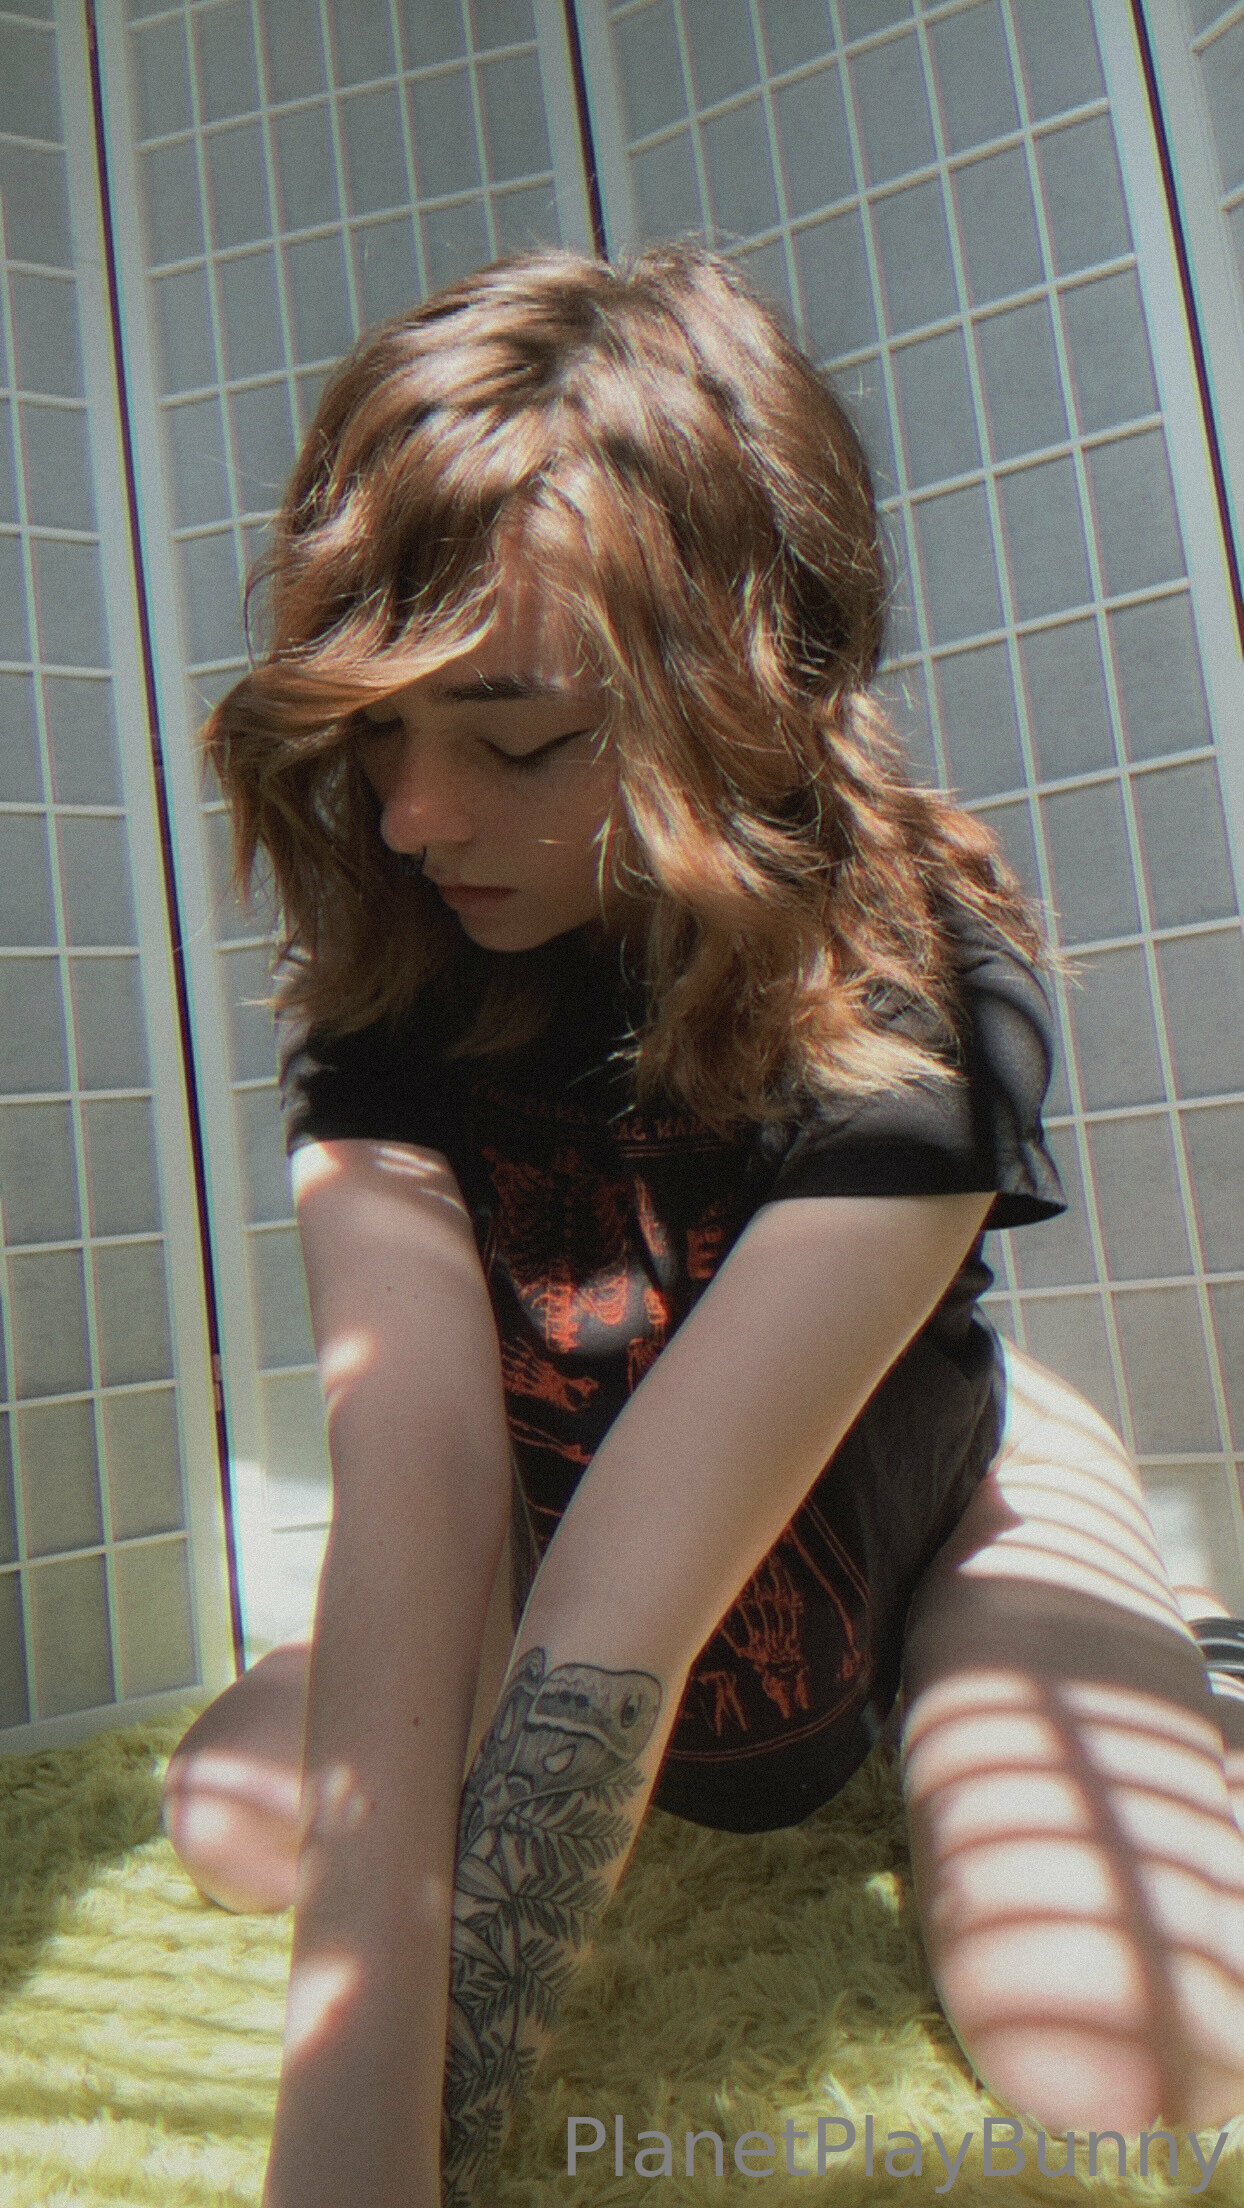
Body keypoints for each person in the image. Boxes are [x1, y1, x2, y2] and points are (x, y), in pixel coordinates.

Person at [160, 246, 1244, 2208]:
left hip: (921, 1504)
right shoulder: (397, 1005)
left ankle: (1093, 1567)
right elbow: (415, 1483)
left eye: (513, 739)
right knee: (245, 1819)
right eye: (379, 730)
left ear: (738, 692)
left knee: (1121, 2049)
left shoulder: (915, 985)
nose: (408, 818)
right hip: (556, 1510)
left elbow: (619, 1624)